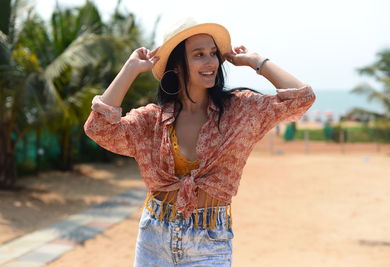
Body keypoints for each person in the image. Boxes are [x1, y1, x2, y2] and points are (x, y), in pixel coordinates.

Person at [84, 17, 316, 266]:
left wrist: (257, 62)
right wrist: (129, 69)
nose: (211, 62)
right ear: (178, 66)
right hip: (154, 238)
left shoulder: (239, 111)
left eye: (213, 53)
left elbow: (302, 98)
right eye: (199, 55)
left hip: (210, 242)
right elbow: (99, 128)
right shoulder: (152, 120)